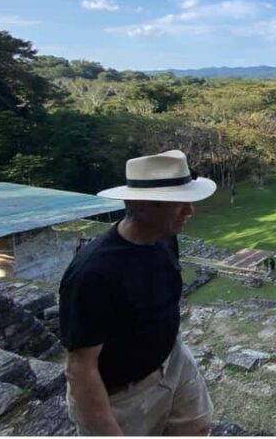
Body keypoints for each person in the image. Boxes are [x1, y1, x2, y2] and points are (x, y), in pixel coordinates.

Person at [59, 150, 217, 436]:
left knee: (197, 427)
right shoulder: (93, 274)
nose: (190, 211)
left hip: (173, 360)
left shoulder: (165, 237)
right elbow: (80, 370)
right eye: (177, 204)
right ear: (140, 205)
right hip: (123, 395)